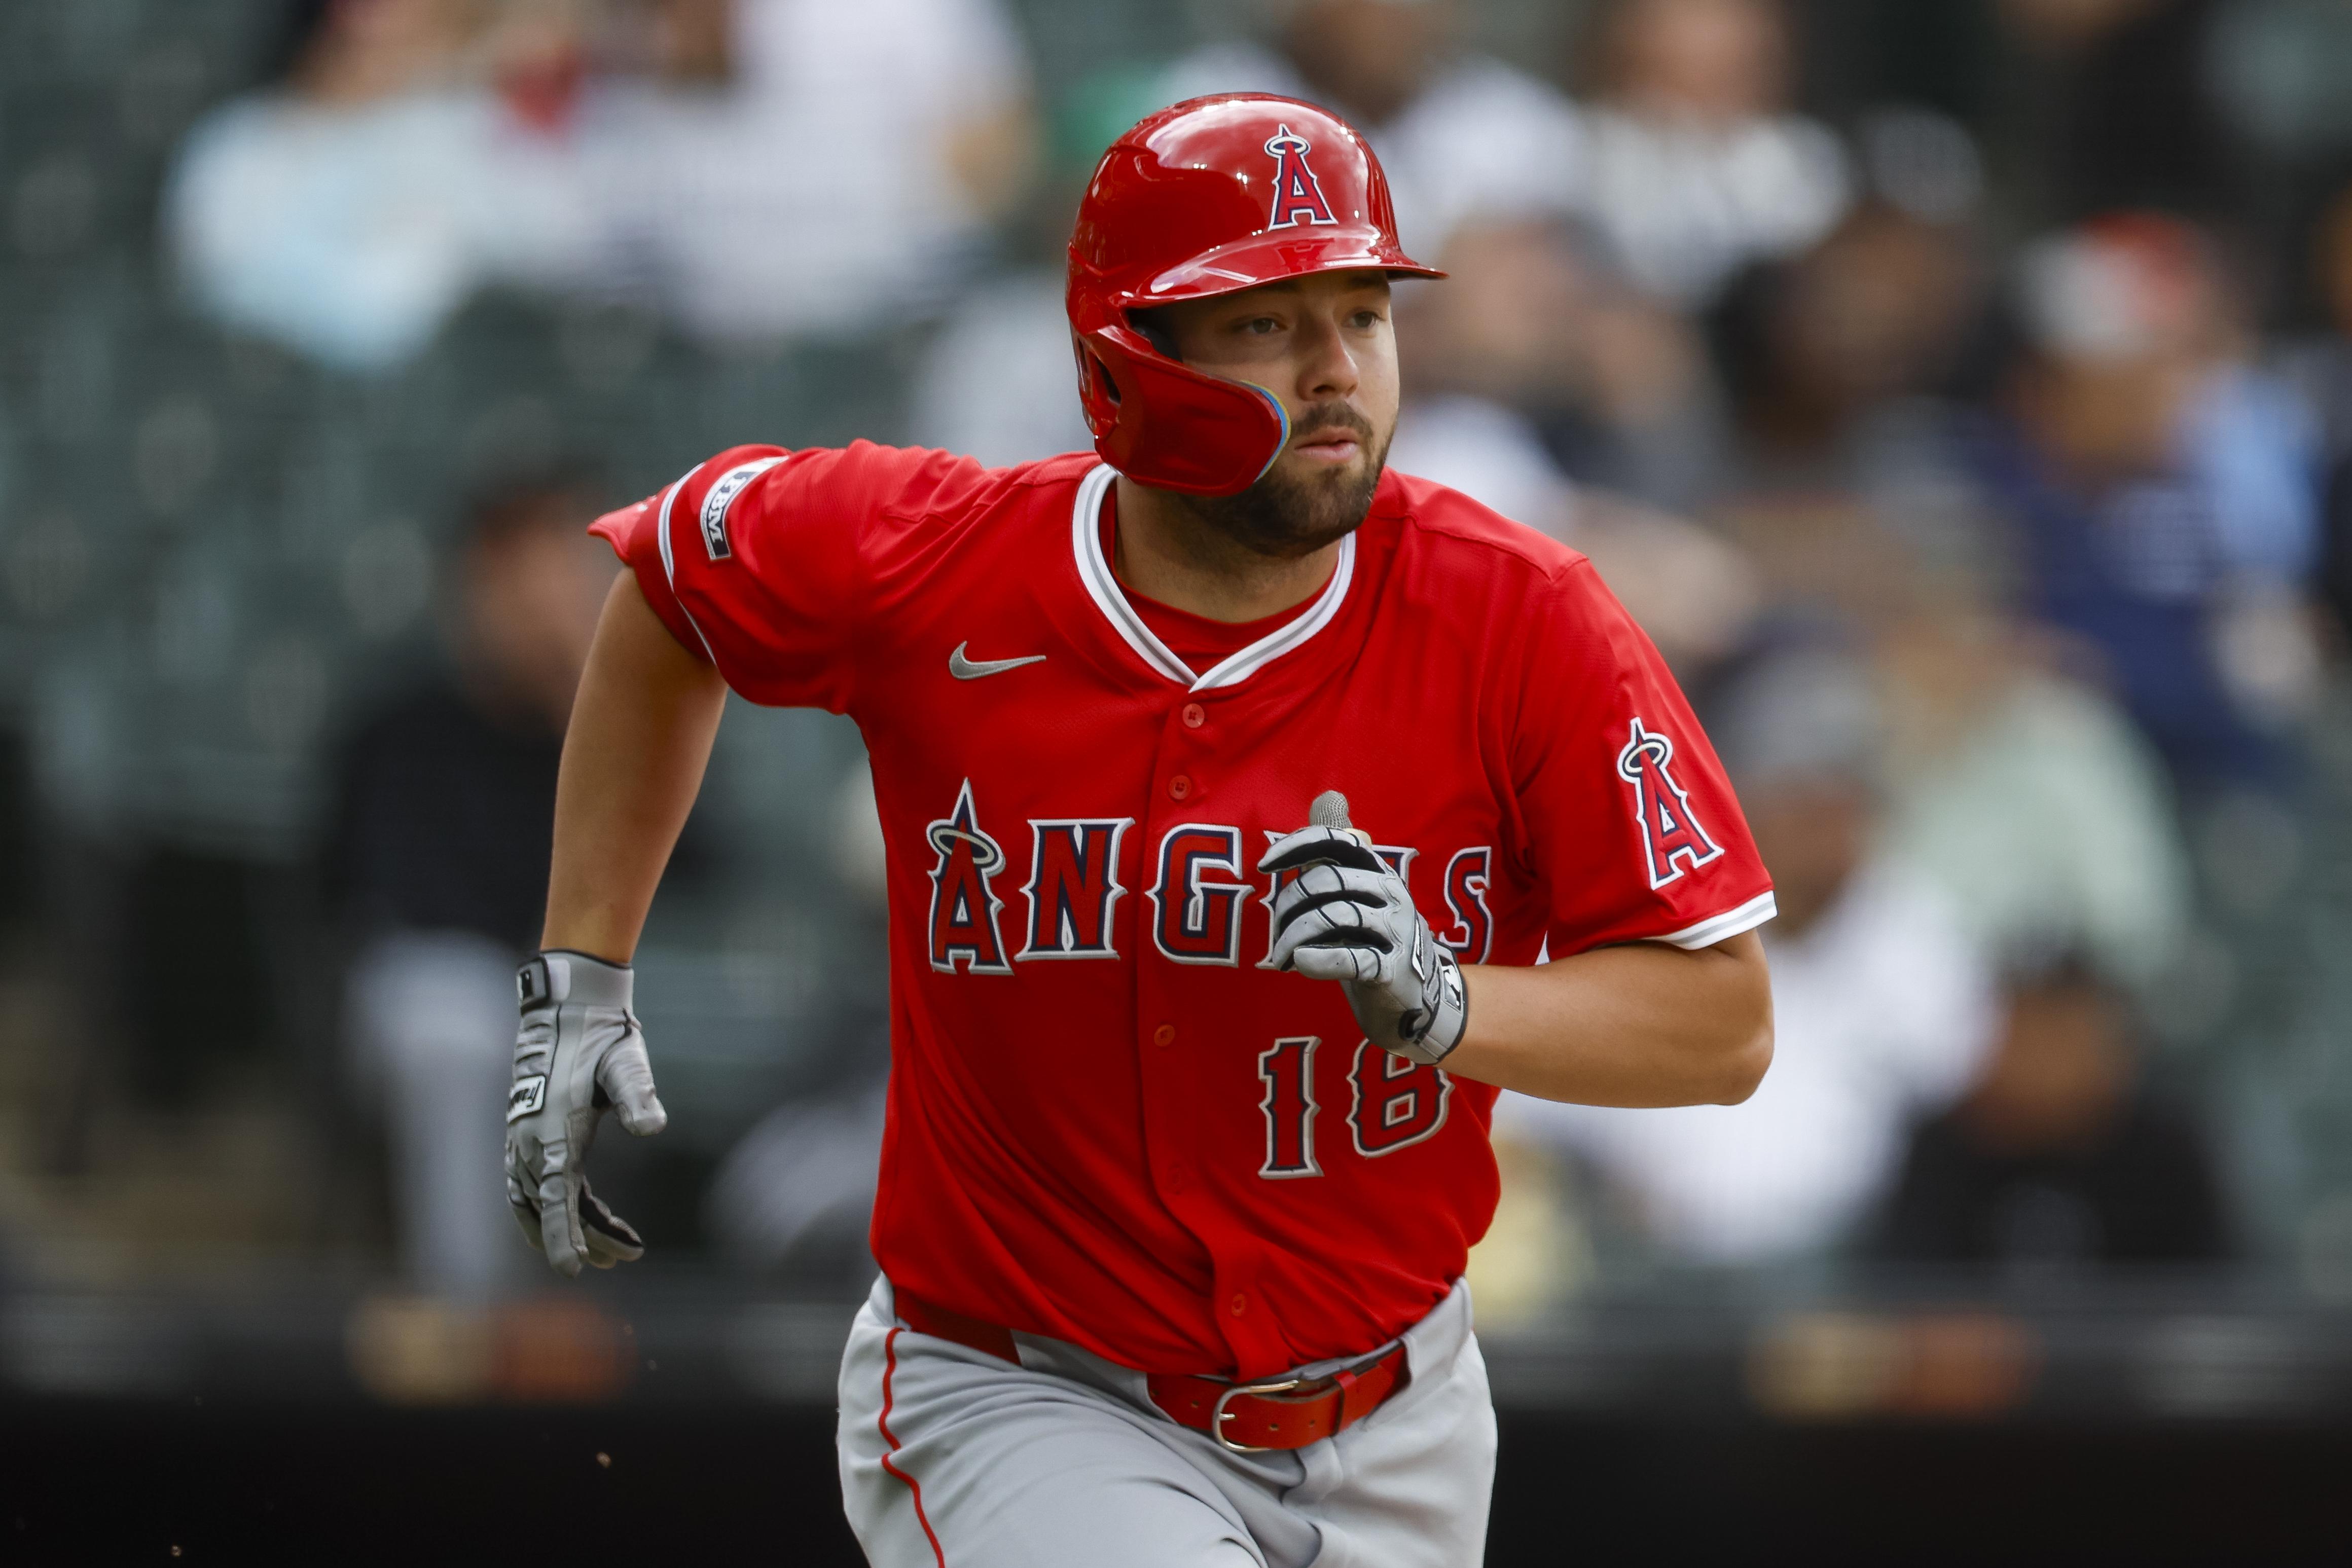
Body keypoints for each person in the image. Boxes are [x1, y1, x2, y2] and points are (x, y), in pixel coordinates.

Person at [506, 97, 1775, 1565]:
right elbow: (670, 574)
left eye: (1361, 314)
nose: (1334, 372)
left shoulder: (1519, 613)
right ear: (1123, 359)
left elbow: (1722, 1024)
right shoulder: (932, 557)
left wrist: (1447, 1002)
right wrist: (582, 965)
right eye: (1262, 323)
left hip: (1403, 1411)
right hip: (1027, 1393)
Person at [1502, 651, 1993, 1264]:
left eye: (1847, 803)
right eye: (1803, 802)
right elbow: (1532, 1094)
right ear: (1736, 802)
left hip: (1847, 1270)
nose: (1829, 828)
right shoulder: (1650, 904)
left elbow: (1951, 1097)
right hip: (1630, 1262)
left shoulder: (1910, 931)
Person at [327, 476, 613, 1291]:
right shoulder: (405, 724)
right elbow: (415, 906)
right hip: (432, 989)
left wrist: (583, 709)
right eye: (536, 571)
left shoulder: (619, 724)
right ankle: (472, 1337)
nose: (561, 597)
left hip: (586, 995)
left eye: (574, 572)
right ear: (481, 583)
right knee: (457, 1026)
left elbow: (701, 880)